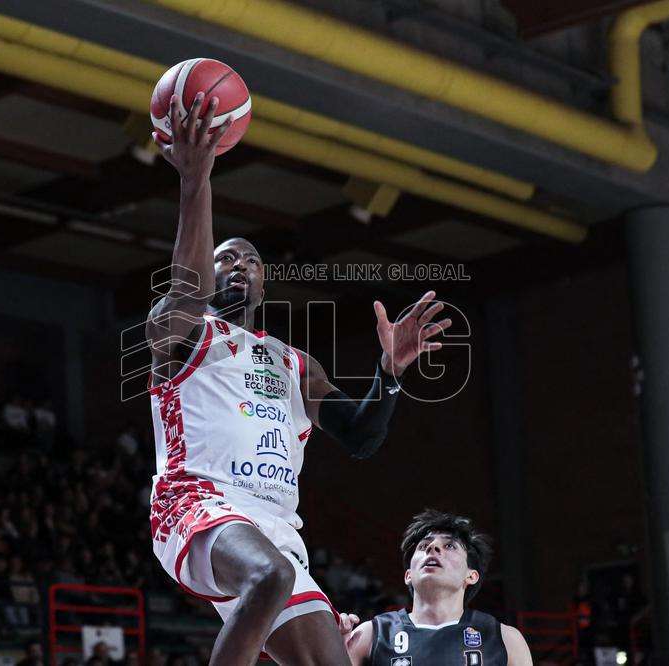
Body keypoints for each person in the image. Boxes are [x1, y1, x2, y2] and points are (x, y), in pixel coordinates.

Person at [145, 92, 452, 666]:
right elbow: (185, 290)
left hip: (277, 526)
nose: (239, 266)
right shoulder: (179, 331)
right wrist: (196, 182)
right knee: (269, 577)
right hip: (197, 505)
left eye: (251, 261)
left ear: (264, 285)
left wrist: (389, 373)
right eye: (226, 258)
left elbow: (361, 437)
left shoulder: (293, 364)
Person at [342, 510, 533, 665]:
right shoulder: (370, 634)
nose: (433, 548)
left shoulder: (506, 640)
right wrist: (331, 653)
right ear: (408, 575)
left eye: (450, 546)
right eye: (424, 545)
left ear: (471, 575)